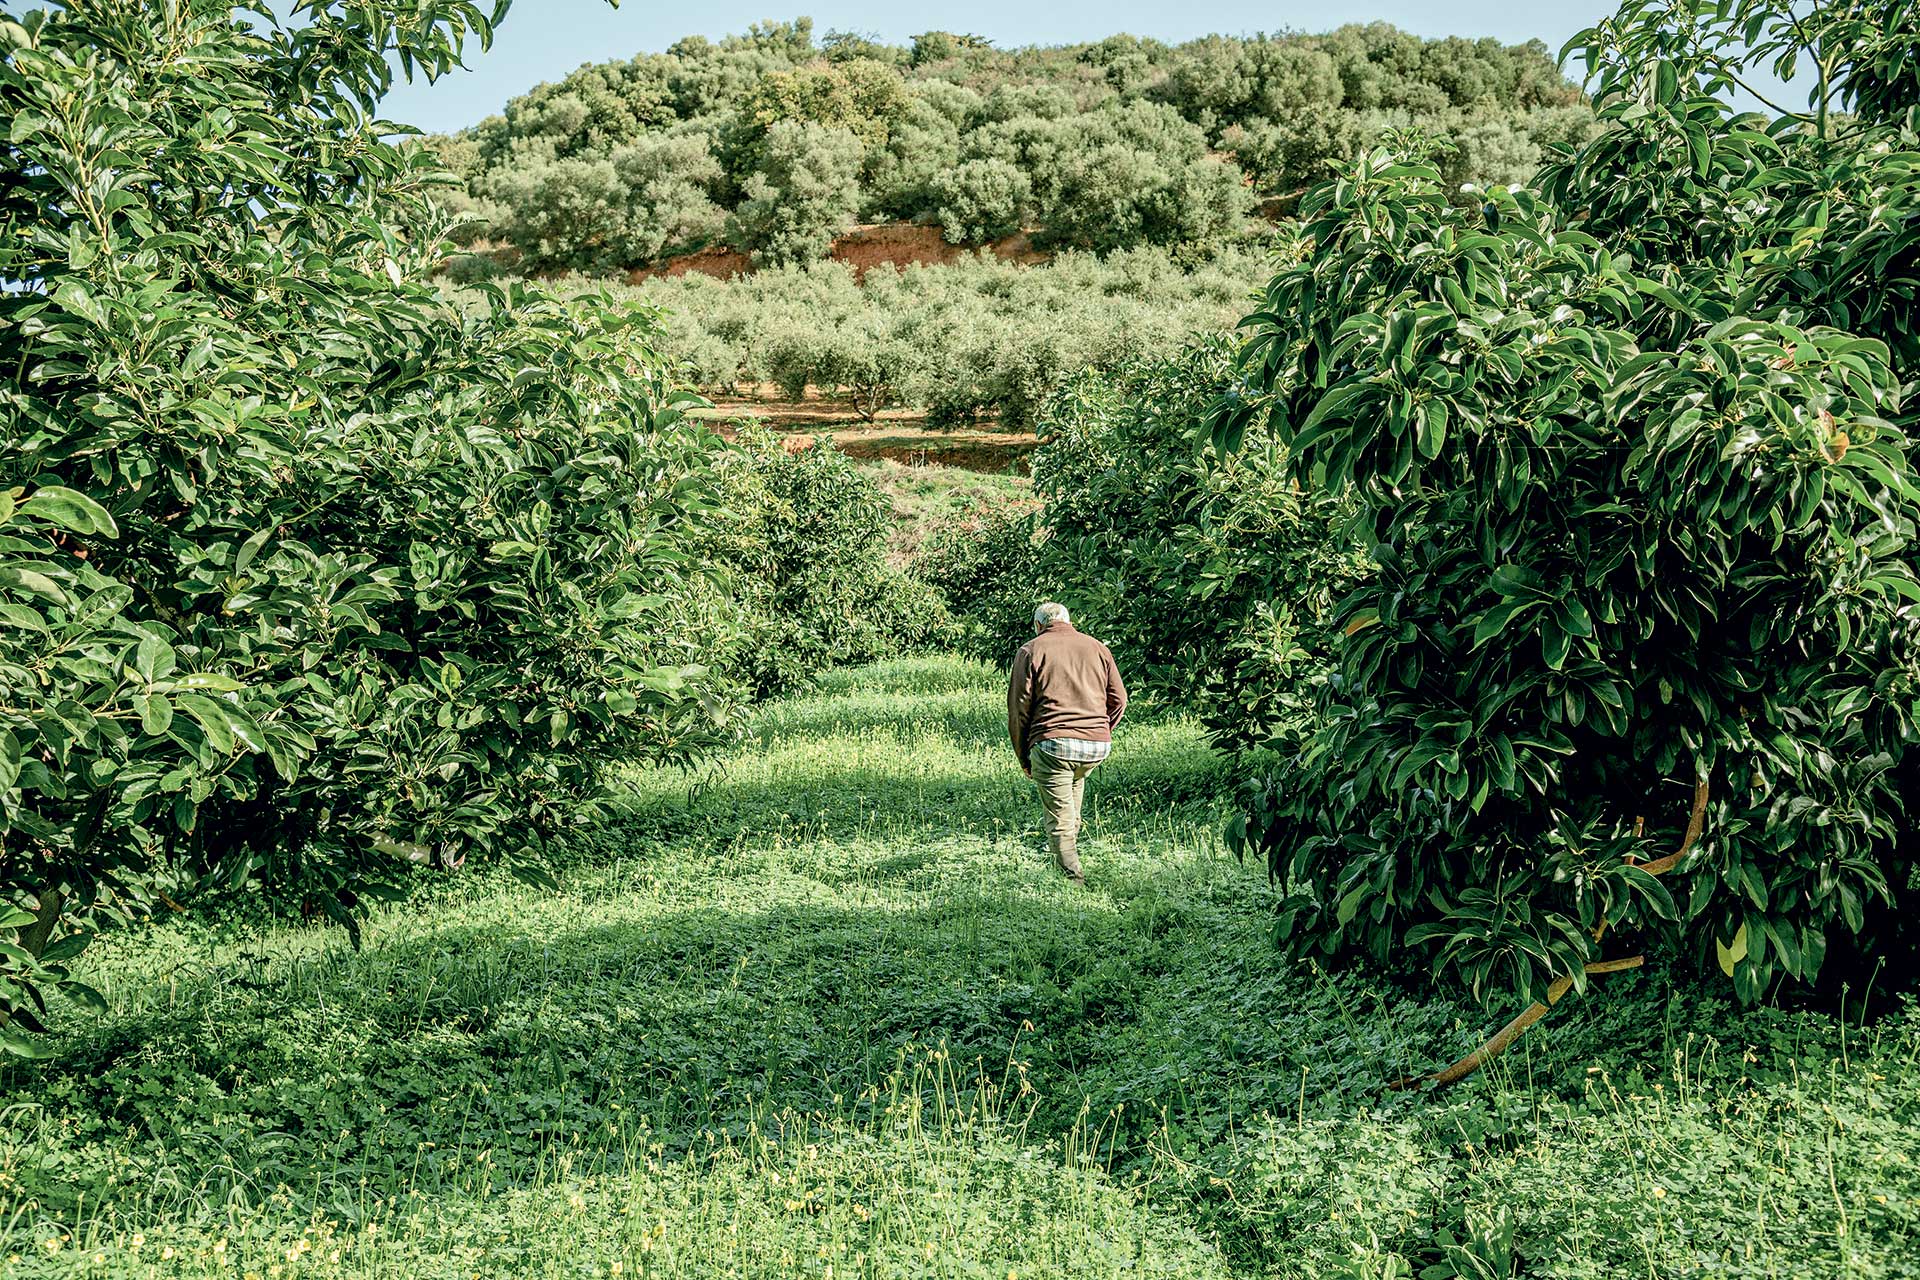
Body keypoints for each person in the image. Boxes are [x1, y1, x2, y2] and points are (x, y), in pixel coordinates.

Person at [1006, 602, 1127, 884]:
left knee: (1059, 819)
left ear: (1038, 625)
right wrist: (1101, 728)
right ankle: (1069, 859)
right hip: (1096, 746)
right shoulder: (1098, 648)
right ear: (1070, 621)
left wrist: (1024, 757)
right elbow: (1119, 699)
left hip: (1053, 745)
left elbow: (1018, 711)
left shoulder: (1031, 650)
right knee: (1070, 799)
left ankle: (1072, 881)